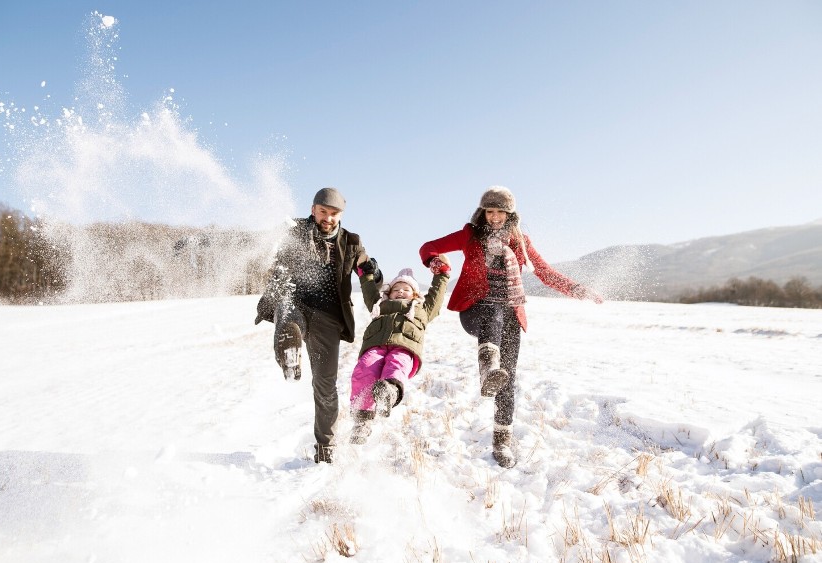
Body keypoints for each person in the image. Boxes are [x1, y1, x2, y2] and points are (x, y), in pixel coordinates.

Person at [418, 186, 602, 468]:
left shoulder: (520, 242)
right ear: (482, 213)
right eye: (489, 212)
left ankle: (502, 441)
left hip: (511, 314)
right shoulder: (470, 235)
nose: (494, 217)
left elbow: (544, 272)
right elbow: (429, 247)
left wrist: (579, 290)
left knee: (508, 378)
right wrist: (437, 265)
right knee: (494, 310)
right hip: (475, 310)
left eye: (500, 212)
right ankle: (487, 365)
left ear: (510, 215)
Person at [255, 187, 382, 464]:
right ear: (313, 210)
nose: (328, 218)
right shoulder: (295, 230)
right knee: (287, 313)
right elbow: (263, 244)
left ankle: (326, 448)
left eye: (334, 213)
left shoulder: (352, 242)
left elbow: (367, 275)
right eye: (323, 211)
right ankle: (288, 352)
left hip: (328, 317)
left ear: (341, 215)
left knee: (325, 385)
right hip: (296, 301)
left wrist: (376, 286)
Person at [348, 258, 451, 445]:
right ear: (389, 292)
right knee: (364, 369)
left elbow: (436, 296)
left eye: (406, 289)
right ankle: (362, 420)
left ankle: (389, 391)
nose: (400, 291)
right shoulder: (380, 305)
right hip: (376, 346)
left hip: (404, 347)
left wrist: (442, 274)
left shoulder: (422, 309)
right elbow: (369, 292)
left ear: (414, 294)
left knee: (396, 365)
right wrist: (366, 275)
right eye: (396, 289)